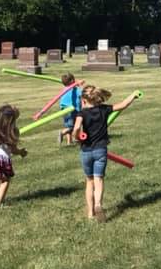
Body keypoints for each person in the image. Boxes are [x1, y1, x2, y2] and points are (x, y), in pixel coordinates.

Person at [72, 85, 140, 222]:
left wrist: (77, 136)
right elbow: (123, 105)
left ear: (84, 101)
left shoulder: (81, 113)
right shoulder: (104, 109)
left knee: (89, 180)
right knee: (99, 179)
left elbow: (77, 127)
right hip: (100, 150)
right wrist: (133, 95)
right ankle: (98, 204)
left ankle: (91, 213)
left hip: (86, 151)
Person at [56, 73, 82, 146]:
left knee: (68, 125)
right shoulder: (76, 90)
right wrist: (80, 86)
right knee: (73, 126)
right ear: (72, 80)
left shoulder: (64, 89)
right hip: (72, 110)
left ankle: (69, 142)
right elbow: (83, 95)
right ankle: (62, 132)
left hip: (64, 110)